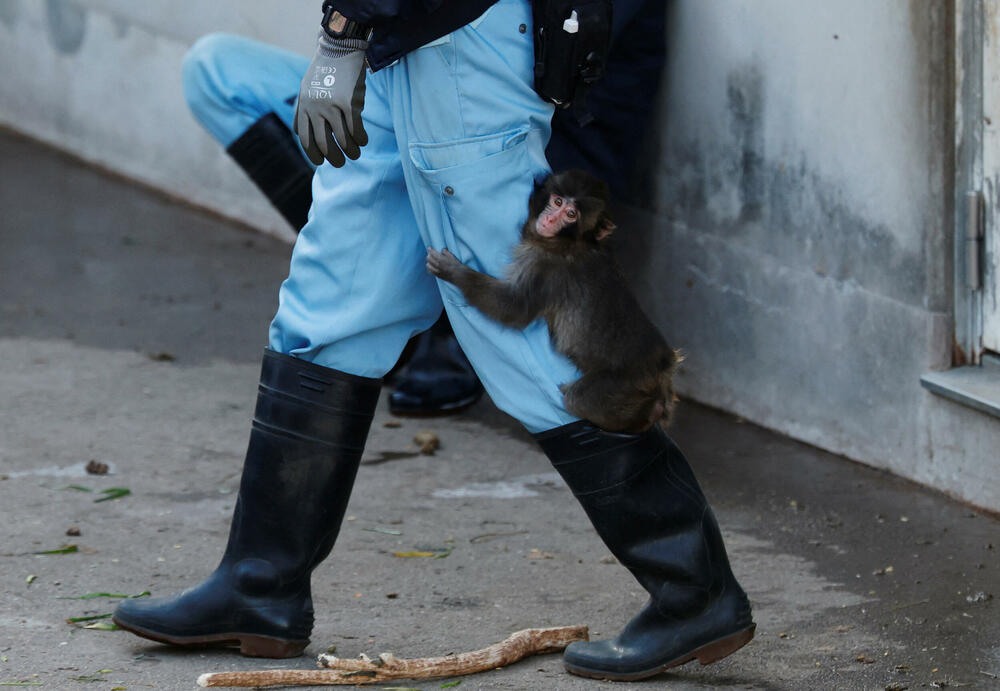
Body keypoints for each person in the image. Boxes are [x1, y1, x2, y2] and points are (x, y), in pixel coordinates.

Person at [114, 0, 755, 681]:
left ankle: (695, 589)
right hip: (408, 42)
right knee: (332, 300)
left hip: (460, 42)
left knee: (524, 331)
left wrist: (344, 30)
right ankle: (258, 586)